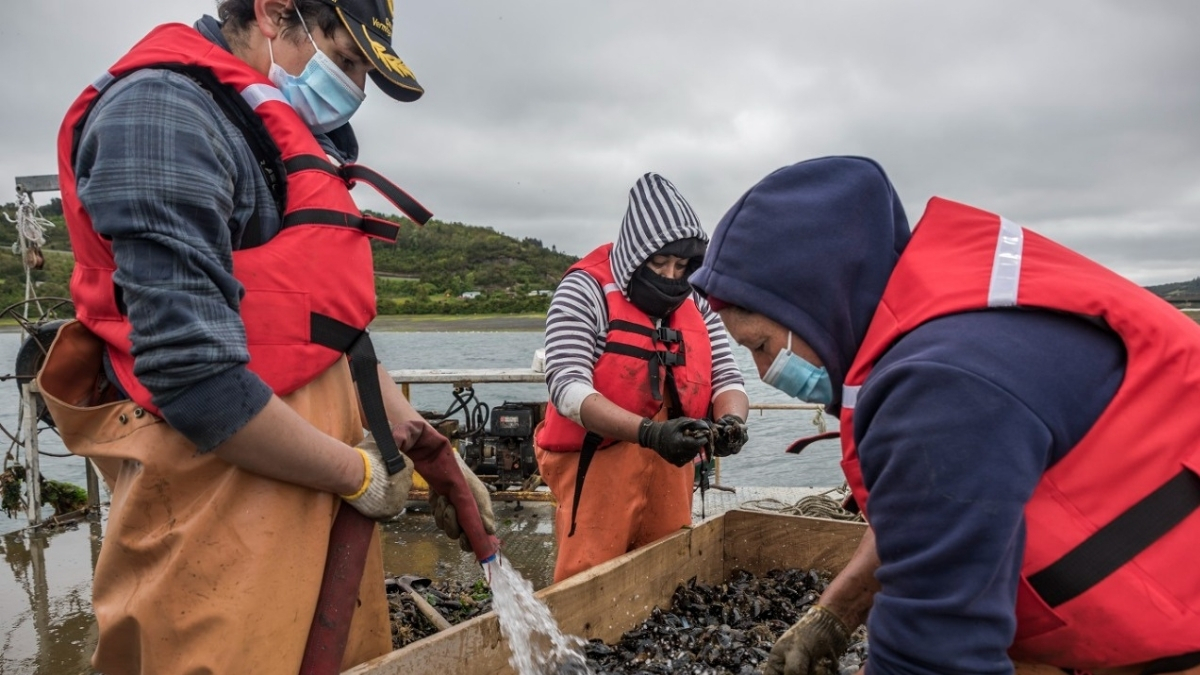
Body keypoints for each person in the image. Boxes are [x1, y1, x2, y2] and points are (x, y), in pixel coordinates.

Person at [39, 1, 497, 673]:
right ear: (276, 12)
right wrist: (359, 472)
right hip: (214, 513)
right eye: (346, 61)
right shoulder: (164, 115)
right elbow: (198, 383)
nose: (356, 92)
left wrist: (423, 443)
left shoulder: (271, 134)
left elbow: (327, 331)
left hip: (315, 503)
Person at [689, 156, 1200, 675]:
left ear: (815, 305)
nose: (764, 369)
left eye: (760, 344)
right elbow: (937, 506)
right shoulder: (945, 321)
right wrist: (837, 613)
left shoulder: (937, 385)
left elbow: (936, 655)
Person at [534, 172, 750, 583]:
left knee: (666, 575)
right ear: (636, 254)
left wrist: (732, 421)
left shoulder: (695, 300)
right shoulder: (585, 289)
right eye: (659, 263)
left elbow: (726, 373)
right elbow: (566, 385)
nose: (671, 276)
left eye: (681, 265)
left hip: (674, 456)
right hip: (598, 459)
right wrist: (650, 433)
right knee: (590, 579)